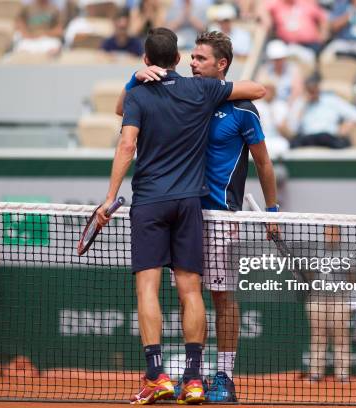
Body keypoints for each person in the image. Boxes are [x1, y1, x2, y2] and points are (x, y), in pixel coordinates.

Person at [97, 27, 265, 405]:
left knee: (148, 289)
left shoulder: (139, 95)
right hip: (190, 205)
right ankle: (193, 379)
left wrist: (110, 198)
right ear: (177, 60)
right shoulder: (201, 90)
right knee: (192, 290)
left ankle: (156, 375)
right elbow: (256, 89)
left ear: (145, 61)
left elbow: (126, 138)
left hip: (151, 203)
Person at [306, 225, 356, 382]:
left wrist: (348, 296)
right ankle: (315, 373)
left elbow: (352, 278)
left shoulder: (347, 254)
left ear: (339, 234)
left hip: (340, 299)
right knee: (318, 336)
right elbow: (310, 275)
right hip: (317, 299)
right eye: (327, 232)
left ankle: (342, 374)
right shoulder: (316, 253)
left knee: (341, 337)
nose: (330, 235)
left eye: (333, 232)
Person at [288, 74, 356, 149]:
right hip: (308, 138)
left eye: (314, 89)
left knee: (339, 142)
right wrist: (303, 105)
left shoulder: (331, 100)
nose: (312, 93)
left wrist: (345, 127)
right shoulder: (300, 103)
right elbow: (293, 128)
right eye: (309, 90)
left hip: (328, 136)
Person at [261, 0, 328, 64]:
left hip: (310, 45)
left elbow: (322, 17)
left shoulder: (305, 3)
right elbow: (263, 11)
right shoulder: (276, 5)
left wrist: (323, 34)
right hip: (287, 45)